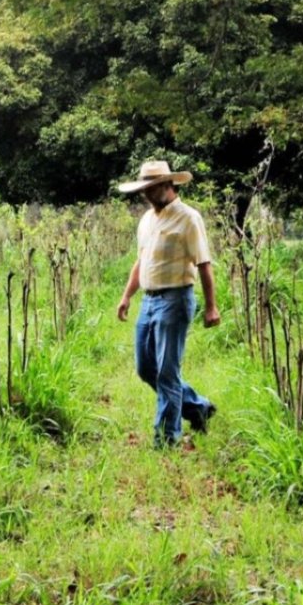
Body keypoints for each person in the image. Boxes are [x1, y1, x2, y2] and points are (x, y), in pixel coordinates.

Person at [115, 159, 220, 447]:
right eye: (144, 190)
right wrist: (127, 297)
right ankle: (198, 407)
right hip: (149, 301)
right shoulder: (147, 220)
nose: (147, 195)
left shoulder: (188, 218)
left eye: (152, 189)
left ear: (168, 185)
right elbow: (141, 261)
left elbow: (204, 264)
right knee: (145, 368)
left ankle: (166, 440)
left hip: (176, 299)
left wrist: (211, 306)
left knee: (167, 372)